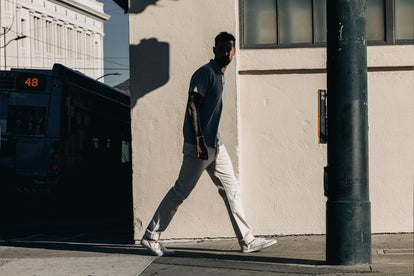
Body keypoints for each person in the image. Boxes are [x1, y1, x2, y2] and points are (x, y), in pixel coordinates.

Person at [141, 32, 276, 256]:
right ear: (214, 50)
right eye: (220, 48)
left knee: (231, 190)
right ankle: (151, 236)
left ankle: (247, 239)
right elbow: (192, 105)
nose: (225, 52)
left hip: (216, 145)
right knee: (180, 191)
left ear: (234, 52)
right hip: (200, 146)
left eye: (228, 48)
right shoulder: (206, 73)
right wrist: (199, 140)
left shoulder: (220, 75)